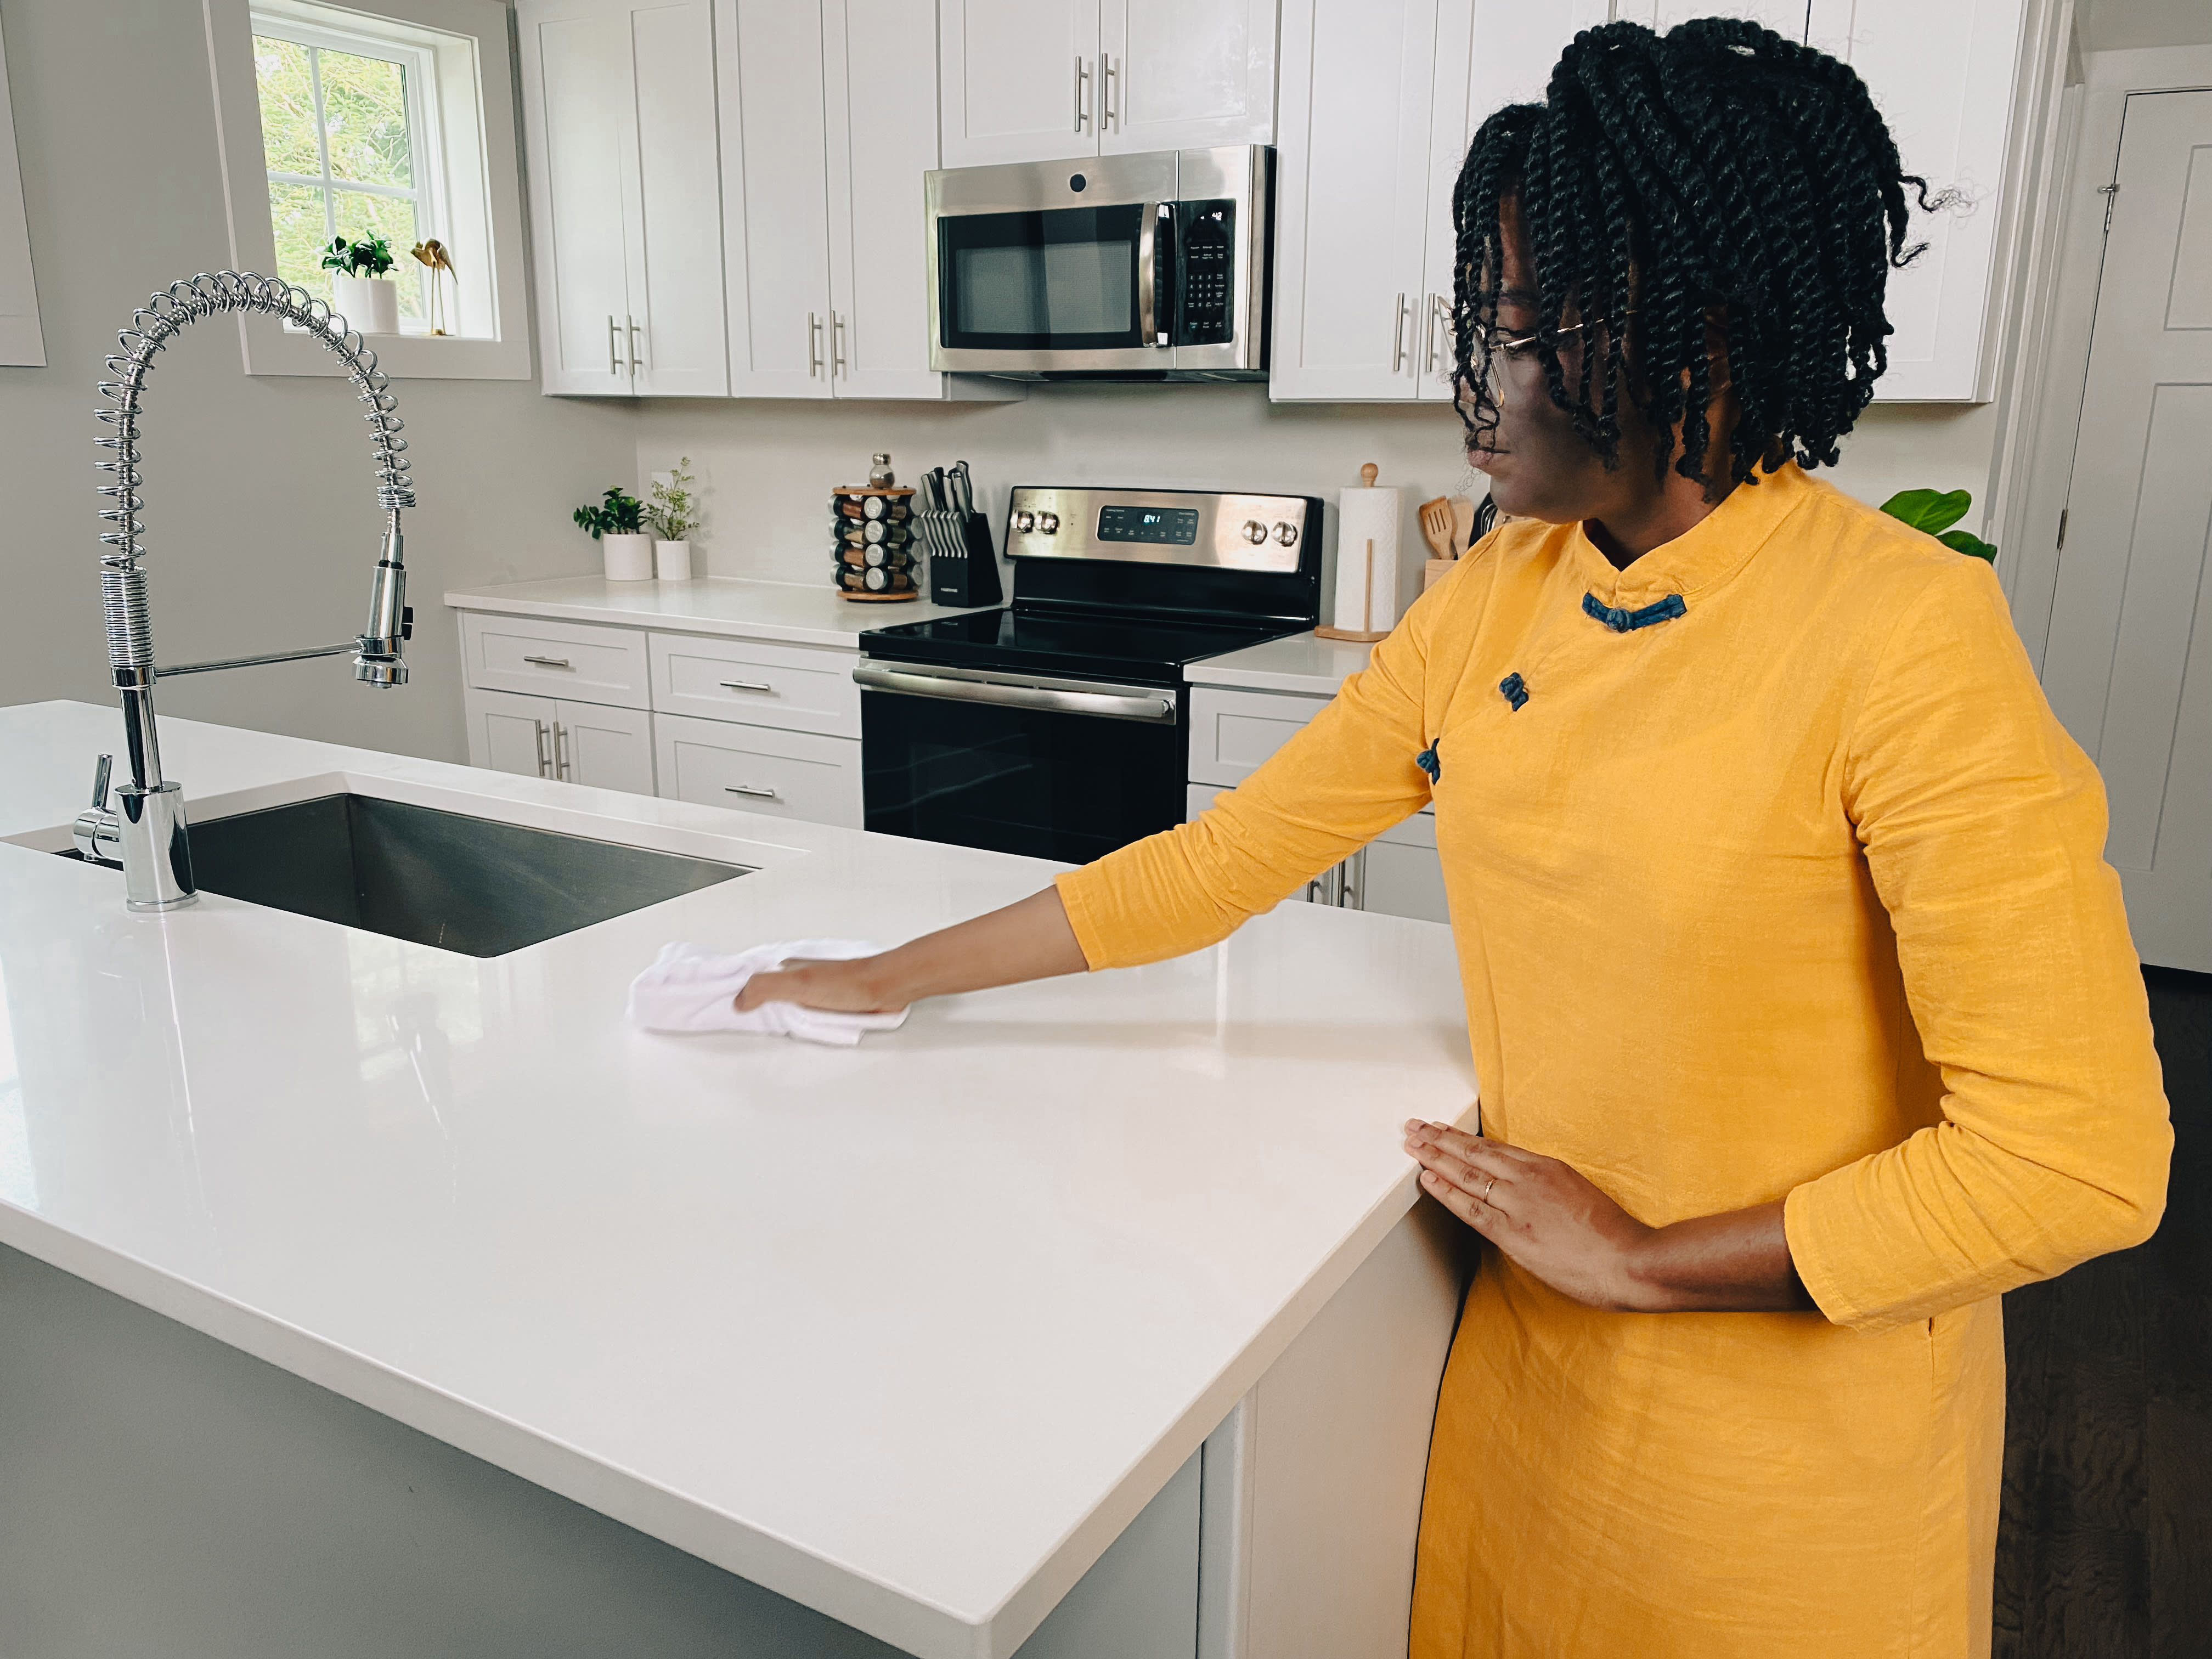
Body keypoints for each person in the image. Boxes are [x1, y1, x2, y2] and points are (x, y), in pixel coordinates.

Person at [742, 18, 2171, 1656]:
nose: (1473, 372)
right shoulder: (1499, 593)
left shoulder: (1906, 635)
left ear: (1686, 325)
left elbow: (2073, 1159)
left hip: (1787, 1474)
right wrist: (891, 974)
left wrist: (1639, 1258)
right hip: (1525, 1388)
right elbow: (1222, 860)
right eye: (1477, 314)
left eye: (1520, 325)